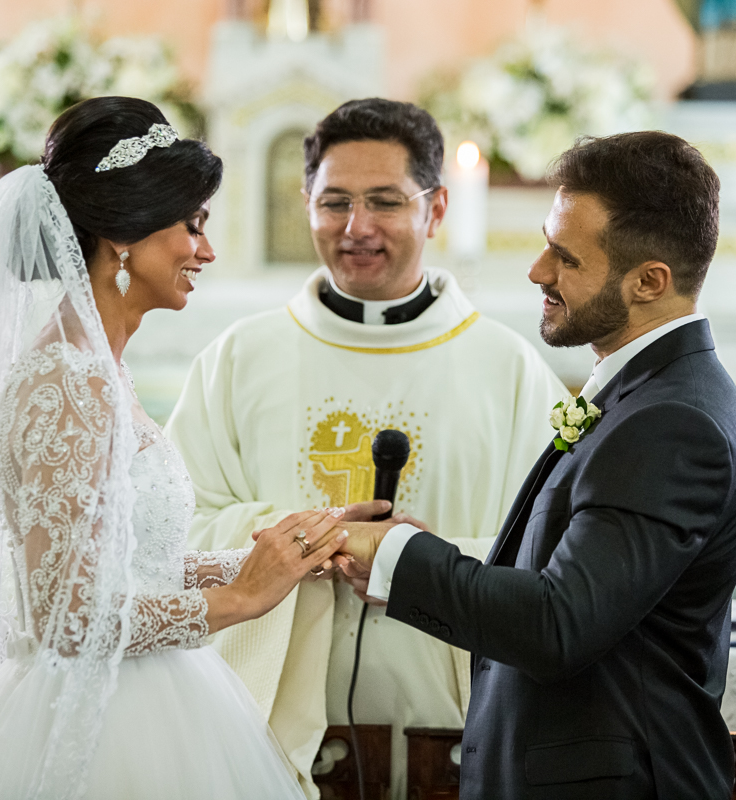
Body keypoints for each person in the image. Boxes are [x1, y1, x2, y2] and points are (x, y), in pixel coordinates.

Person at [0, 97, 348, 799]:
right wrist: (238, 599)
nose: (205, 251)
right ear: (123, 237)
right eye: (192, 226)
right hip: (93, 733)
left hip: (152, 698)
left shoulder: (100, 369)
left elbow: (126, 565)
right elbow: (67, 618)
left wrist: (287, 552)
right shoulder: (63, 381)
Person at [338, 132, 736, 799]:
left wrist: (399, 555)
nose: (538, 270)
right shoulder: (649, 394)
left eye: (564, 256)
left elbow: (559, 624)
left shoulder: (673, 423)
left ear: (650, 281)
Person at [164, 97, 566, 796]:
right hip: (260, 728)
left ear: (436, 209)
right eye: (334, 203)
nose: (357, 229)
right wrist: (301, 541)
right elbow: (171, 528)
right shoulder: (240, 357)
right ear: (306, 202)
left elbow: (550, 555)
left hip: (448, 719)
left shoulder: (507, 369)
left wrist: (427, 561)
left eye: (385, 202)